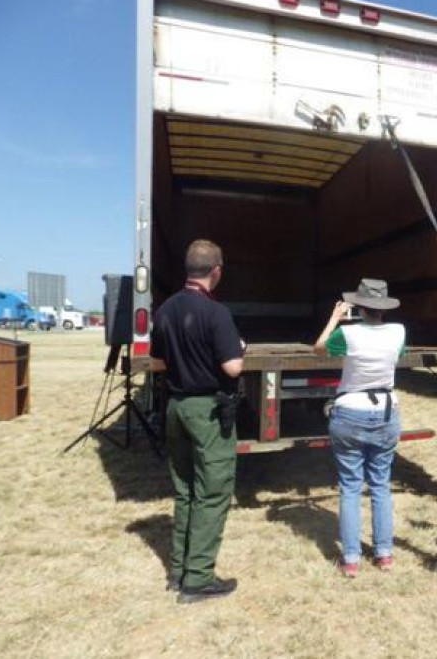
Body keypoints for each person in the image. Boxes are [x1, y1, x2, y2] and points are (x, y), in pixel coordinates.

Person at [150, 239, 244, 604]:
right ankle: (199, 579)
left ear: (188, 269)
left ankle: (179, 571)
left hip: (176, 407)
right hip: (206, 412)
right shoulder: (216, 313)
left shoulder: (165, 310)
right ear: (216, 271)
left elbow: (159, 361)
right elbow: (232, 367)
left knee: (186, 490)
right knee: (213, 492)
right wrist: (239, 348)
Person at [313, 278, 406, 578]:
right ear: (384, 308)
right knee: (380, 484)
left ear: (360, 307)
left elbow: (319, 349)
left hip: (350, 410)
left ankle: (351, 558)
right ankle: (384, 554)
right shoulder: (398, 331)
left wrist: (335, 318)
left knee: (350, 487)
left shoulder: (348, 333)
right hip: (385, 410)